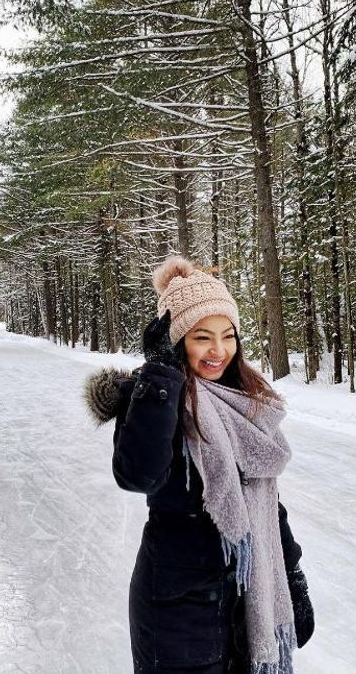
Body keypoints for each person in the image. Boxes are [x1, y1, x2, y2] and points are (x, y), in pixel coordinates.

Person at [83, 255, 313, 673]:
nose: (218, 350)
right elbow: (138, 474)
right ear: (176, 341)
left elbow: (266, 503)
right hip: (177, 611)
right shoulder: (154, 395)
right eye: (201, 337)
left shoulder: (245, 402)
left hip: (246, 595)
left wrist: (293, 576)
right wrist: (161, 378)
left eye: (228, 336)